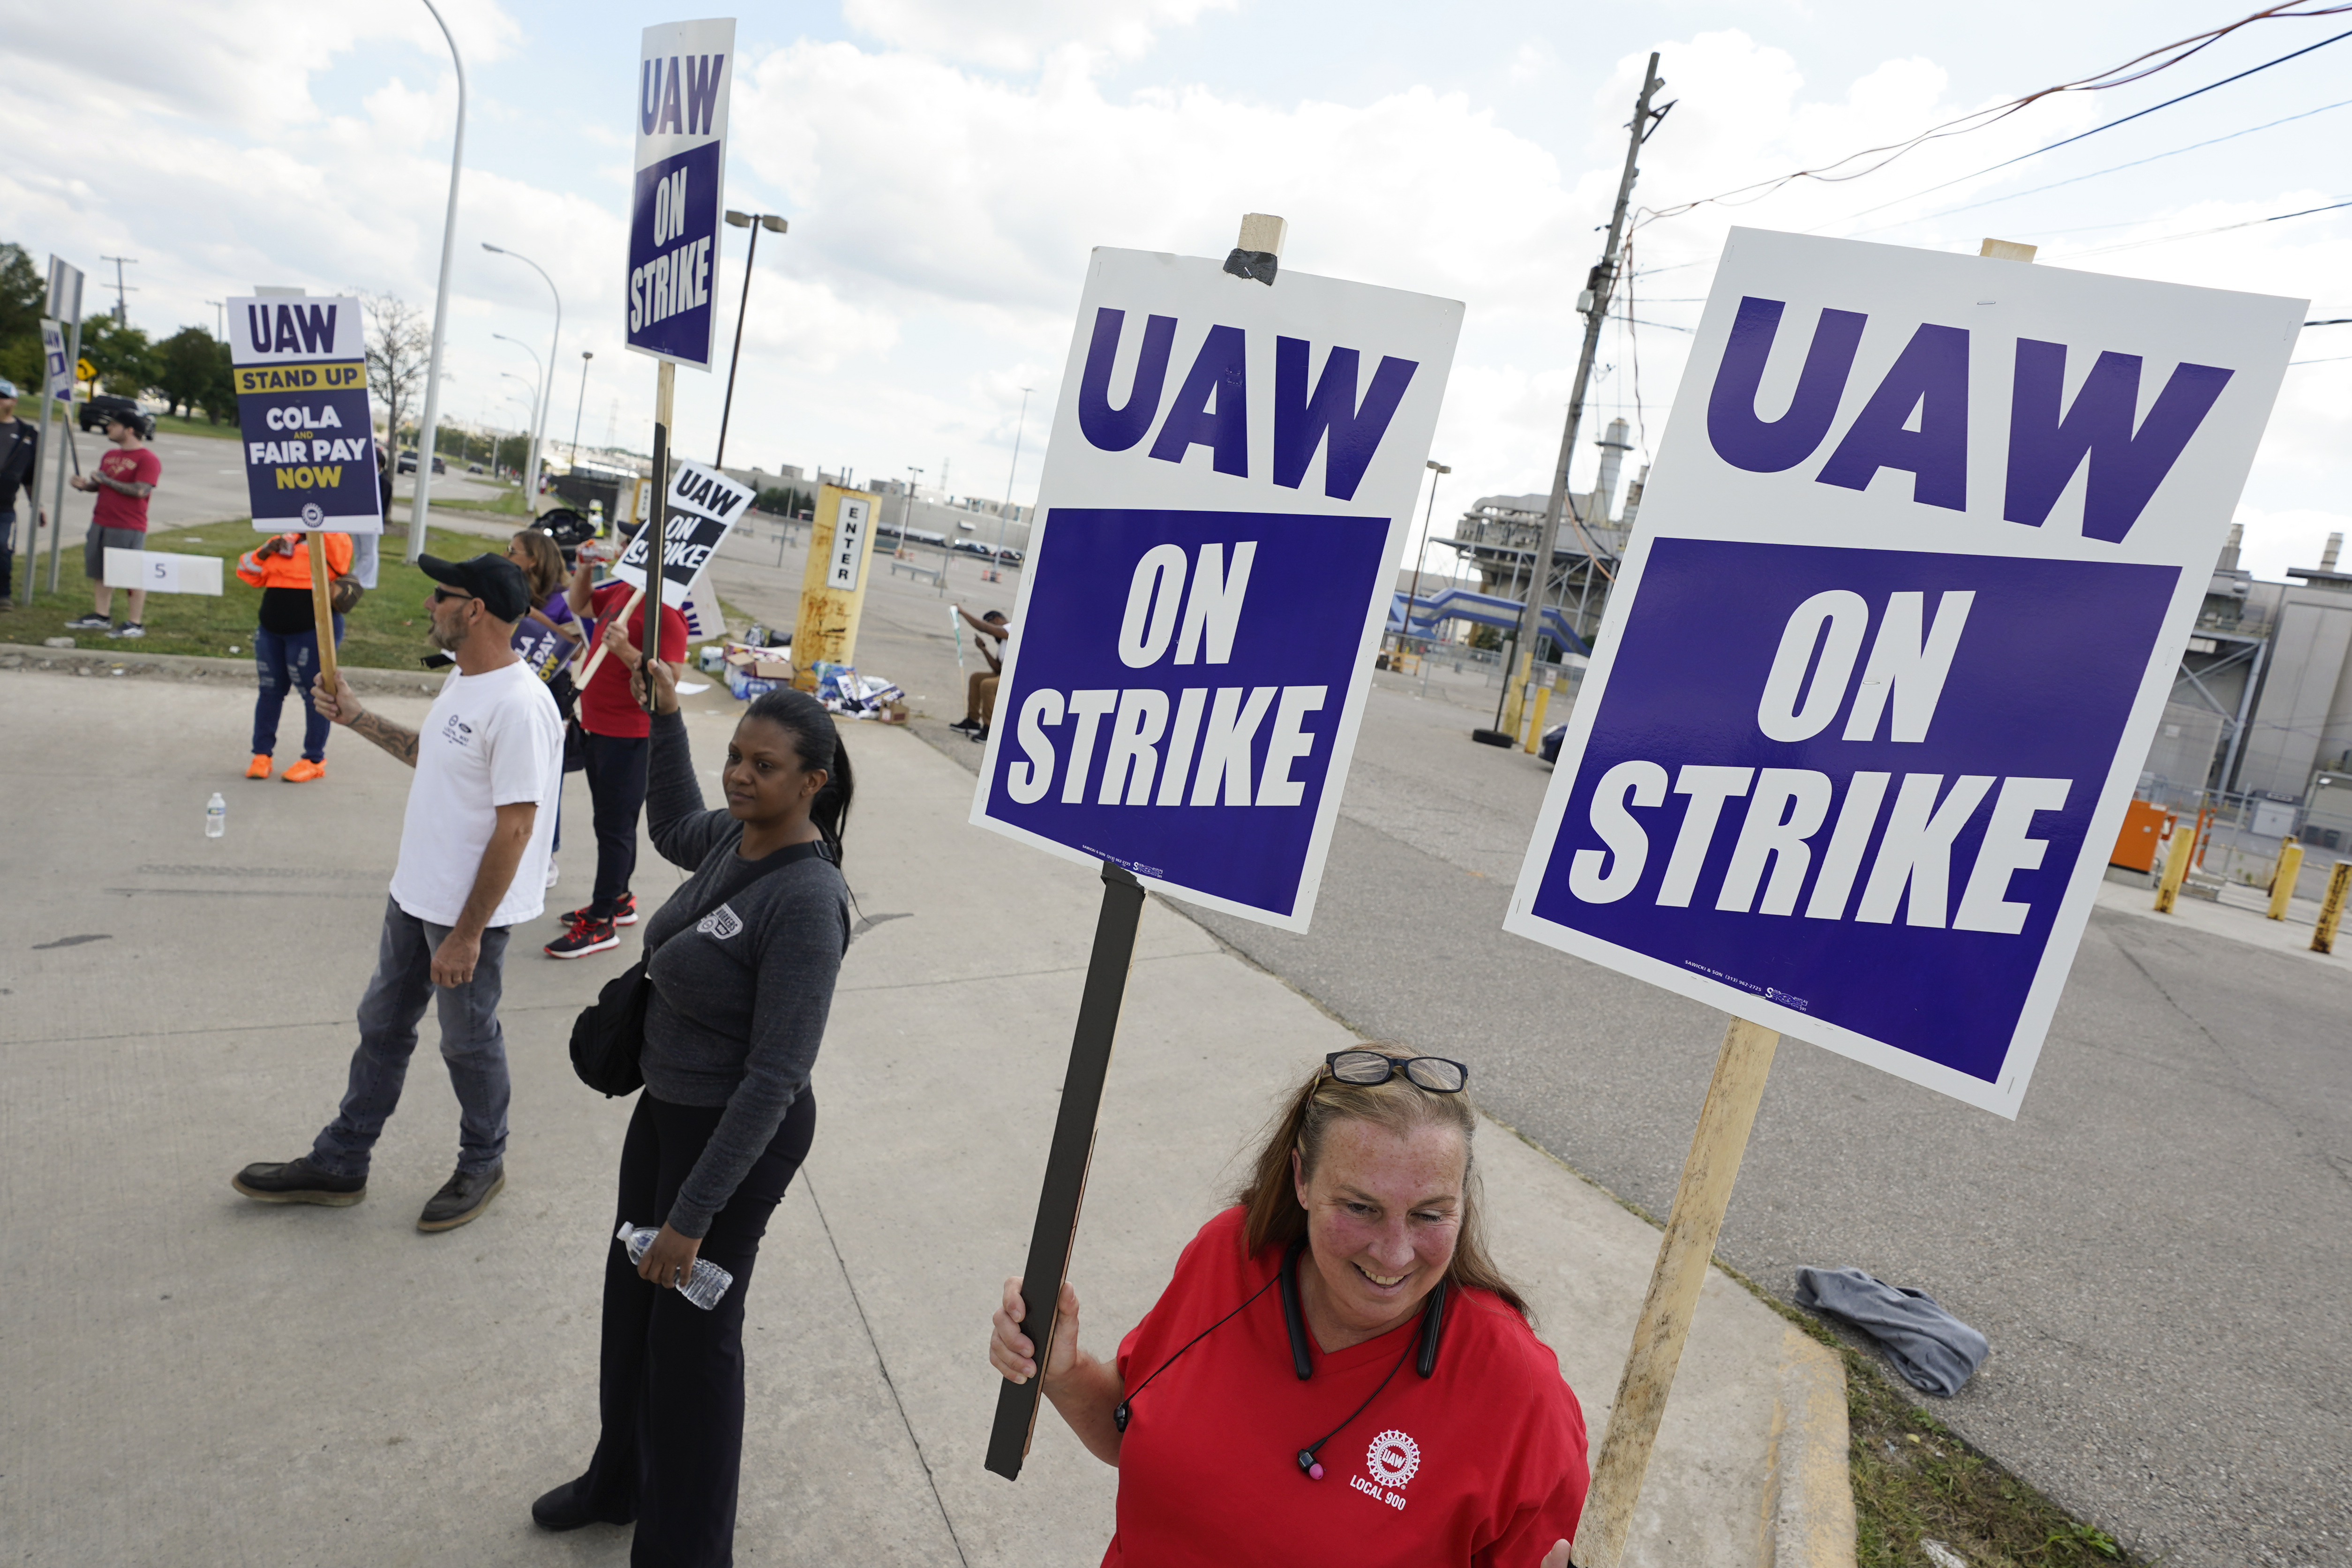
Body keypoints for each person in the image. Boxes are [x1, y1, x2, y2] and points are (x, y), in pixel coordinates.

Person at [988, 1047, 1589, 1567]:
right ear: (1302, 1179)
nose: (1395, 1252)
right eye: (1359, 1207)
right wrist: (1062, 1374)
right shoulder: (1229, 1254)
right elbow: (1135, 1431)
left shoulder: (1519, 1391)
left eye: (1430, 1214)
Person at [530, 656, 853, 1562]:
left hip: (735, 1139)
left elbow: (777, 1075)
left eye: (766, 766)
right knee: (630, 1310)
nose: (742, 777)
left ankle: (687, 1551)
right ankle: (618, 1481)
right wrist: (667, 717)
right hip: (666, 1112)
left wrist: (690, 1218)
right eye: (736, 757)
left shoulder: (807, 899)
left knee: (693, 1346)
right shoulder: (732, 835)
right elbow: (671, 821)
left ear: (812, 783)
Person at [230, 553, 564, 1233]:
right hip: (415, 895)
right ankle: (341, 1160)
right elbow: (431, 756)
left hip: (466, 914)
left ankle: (483, 1161)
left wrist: (468, 933)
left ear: (473, 611)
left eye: (438, 595)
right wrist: (356, 717)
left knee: (468, 1042)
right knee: (382, 1025)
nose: (426, 606)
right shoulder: (463, 682)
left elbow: (518, 826)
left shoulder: (521, 704)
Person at [547, 548, 688, 959]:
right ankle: (619, 897)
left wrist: (628, 651)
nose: (623, 550)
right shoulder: (625, 592)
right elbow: (578, 604)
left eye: (632, 546)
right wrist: (585, 567)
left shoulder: (666, 612)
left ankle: (602, 920)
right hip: (599, 727)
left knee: (614, 829)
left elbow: (670, 681)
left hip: (629, 735)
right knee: (612, 823)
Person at [235, 530, 354, 781]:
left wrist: (317, 529)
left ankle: (314, 759)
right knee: (270, 691)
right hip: (271, 629)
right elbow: (247, 573)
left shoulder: (333, 536)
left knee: (316, 695)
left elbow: (341, 562)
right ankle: (261, 755)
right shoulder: (282, 540)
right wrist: (266, 552)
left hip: (311, 630)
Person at [505, 526, 581, 887]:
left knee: (546, 777)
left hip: (551, 690)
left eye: (513, 551)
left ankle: (547, 853)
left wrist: (533, 616)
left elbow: (575, 643)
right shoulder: (512, 587)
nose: (508, 556)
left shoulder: (565, 598)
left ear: (533, 559)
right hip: (511, 688)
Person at [61, 412, 160, 638]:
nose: (108, 429)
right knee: (101, 571)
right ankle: (101, 615)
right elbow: (102, 487)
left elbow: (140, 490)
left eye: (114, 425)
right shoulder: (110, 455)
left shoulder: (147, 459)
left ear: (130, 430)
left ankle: (135, 623)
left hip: (128, 525)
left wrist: (105, 480)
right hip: (101, 521)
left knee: (130, 574)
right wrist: (85, 486)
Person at [0, 377, 44, 612]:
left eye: (2, 397)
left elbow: (30, 476)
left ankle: (3, 594)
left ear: (13, 401)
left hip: (4, 506)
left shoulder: (27, 434)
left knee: (1, 548)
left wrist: (37, 505)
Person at [949, 606, 1010, 741]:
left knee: (988, 685)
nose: (991, 632)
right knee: (976, 678)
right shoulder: (1003, 642)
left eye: (991, 624)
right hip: (1005, 674)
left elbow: (984, 628)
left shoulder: (1012, 628)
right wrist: (984, 649)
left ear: (998, 619)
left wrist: (963, 612)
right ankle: (973, 721)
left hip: (1017, 676)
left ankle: (990, 729)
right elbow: (997, 669)